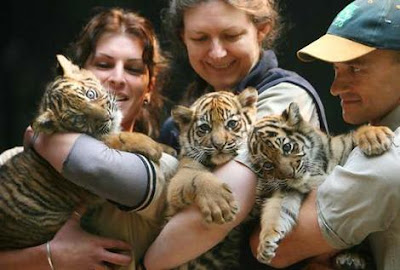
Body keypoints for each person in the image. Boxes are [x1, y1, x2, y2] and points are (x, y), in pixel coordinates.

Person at [143, 0, 329, 269]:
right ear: (183, 38)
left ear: (262, 29)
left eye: (231, 36)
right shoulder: (180, 122)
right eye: (200, 38)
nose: (216, 53)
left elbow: (219, 215)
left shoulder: (286, 96)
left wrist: (143, 263)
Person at [0, 8, 178, 270]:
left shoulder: (163, 164)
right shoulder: (11, 161)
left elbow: (94, 165)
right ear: (79, 73)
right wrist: (49, 257)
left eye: (133, 68)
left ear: (150, 87)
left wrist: (42, 139)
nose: (117, 78)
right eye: (104, 65)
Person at [248, 0, 400, 269]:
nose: (335, 88)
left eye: (355, 68)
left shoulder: (386, 160)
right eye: (335, 69)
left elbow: (275, 249)